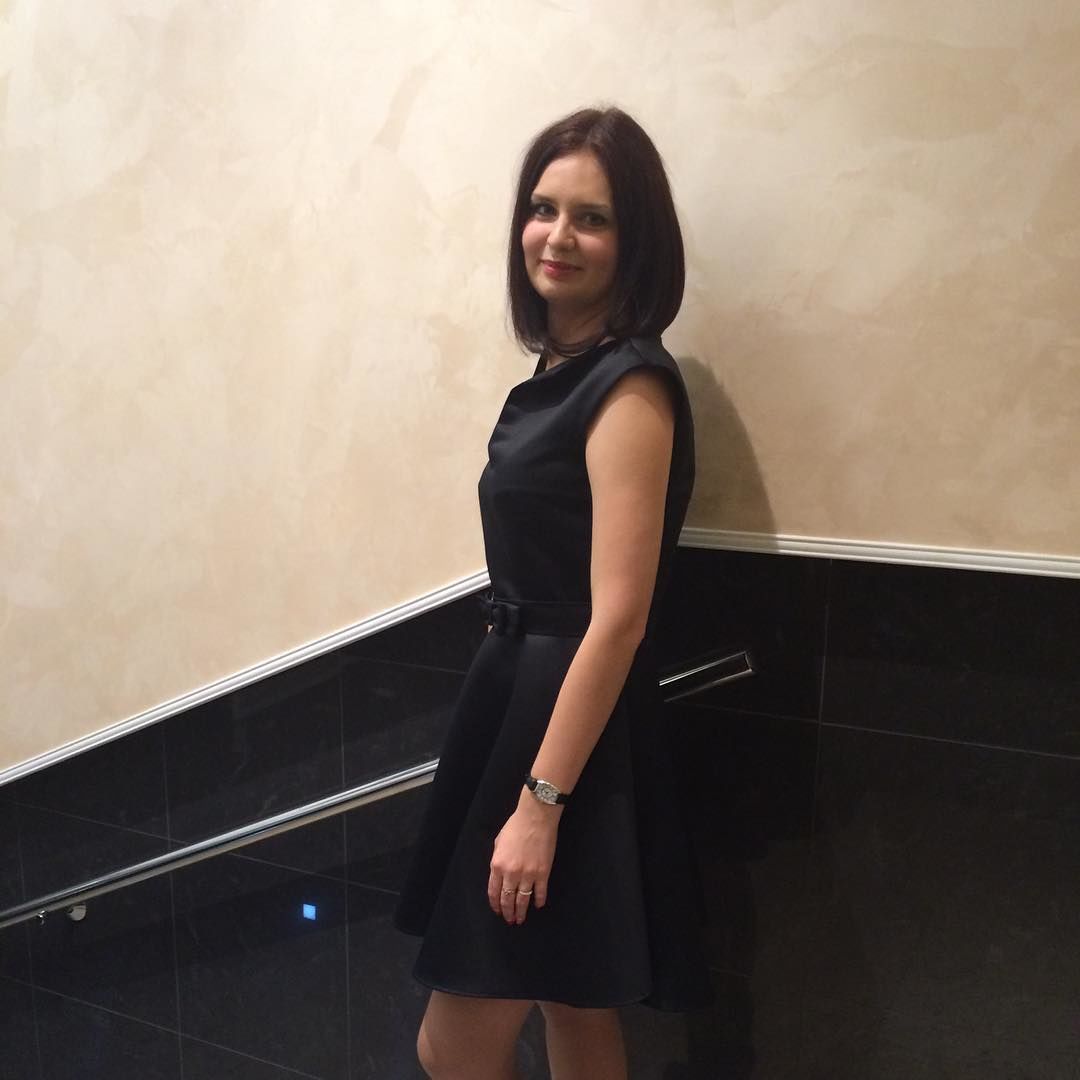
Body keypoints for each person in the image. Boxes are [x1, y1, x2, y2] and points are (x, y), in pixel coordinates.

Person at [393, 105, 713, 1080]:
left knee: (454, 1048)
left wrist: (540, 804)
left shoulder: (629, 388)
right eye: (543, 208)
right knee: (573, 1002)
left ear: (635, 241)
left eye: (592, 217)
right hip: (525, 697)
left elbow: (618, 617)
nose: (557, 235)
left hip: (562, 725)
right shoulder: (564, 372)